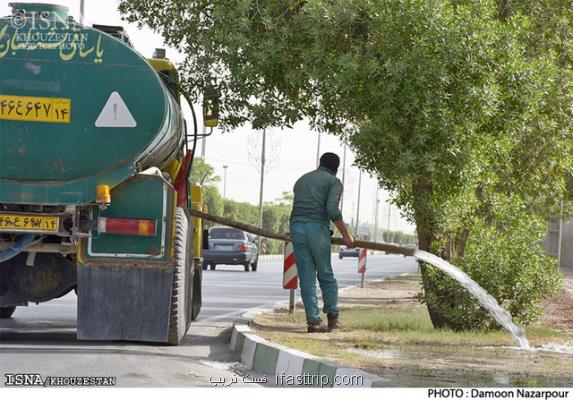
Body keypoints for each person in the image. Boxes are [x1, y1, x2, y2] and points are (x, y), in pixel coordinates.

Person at [289, 152, 354, 333]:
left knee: (307, 277)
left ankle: (314, 322)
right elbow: (332, 210)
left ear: (320, 163)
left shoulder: (302, 180)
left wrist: (295, 227)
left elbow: (297, 207)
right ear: (336, 168)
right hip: (317, 229)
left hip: (297, 228)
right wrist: (346, 236)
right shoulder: (333, 182)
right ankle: (333, 318)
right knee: (325, 274)